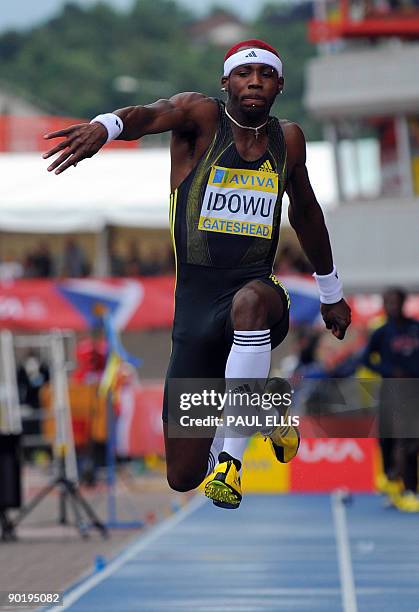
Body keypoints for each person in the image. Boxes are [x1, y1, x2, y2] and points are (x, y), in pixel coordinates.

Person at [43, 39, 351, 509]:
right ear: (225, 81)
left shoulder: (287, 140)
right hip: (194, 314)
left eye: (265, 75)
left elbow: (306, 212)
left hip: (257, 296)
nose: (254, 82)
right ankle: (264, 408)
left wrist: (331, 291)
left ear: (280, 85)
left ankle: (231, 462)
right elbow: (149, 114)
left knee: (250, 304)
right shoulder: (200, 118)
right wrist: (104, 128)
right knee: (183, 476)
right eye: (244, 74)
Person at [362, 287, 419, 512]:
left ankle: (410, 489)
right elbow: (366, 359)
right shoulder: (382, 332)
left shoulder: (415, 329)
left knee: (409, 441)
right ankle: (393, 479)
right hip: (392, 391)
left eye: (395, 302)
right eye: (388, 302)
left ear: (403, 303)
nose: (392, 306)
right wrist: (387, 369)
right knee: (388, 439)